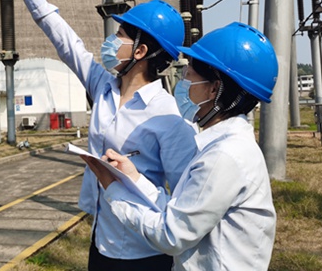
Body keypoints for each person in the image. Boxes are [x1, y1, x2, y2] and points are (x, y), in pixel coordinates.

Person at [6, 0, 197, 270]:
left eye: (121, 34)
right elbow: (69, 46)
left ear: (140, 51)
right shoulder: (105, 87)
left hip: (144, 252)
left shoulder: (168, 117)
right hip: (102, 241)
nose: (112, 40)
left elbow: (183, 199)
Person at [84, 22, 278, 270]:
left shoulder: (224, 157)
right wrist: (134, 178)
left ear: (214, 88)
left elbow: (171, 234)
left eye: (190, 73)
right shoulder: (219, 145)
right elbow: (180, 209)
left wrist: (113, 189)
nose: (182, 80)